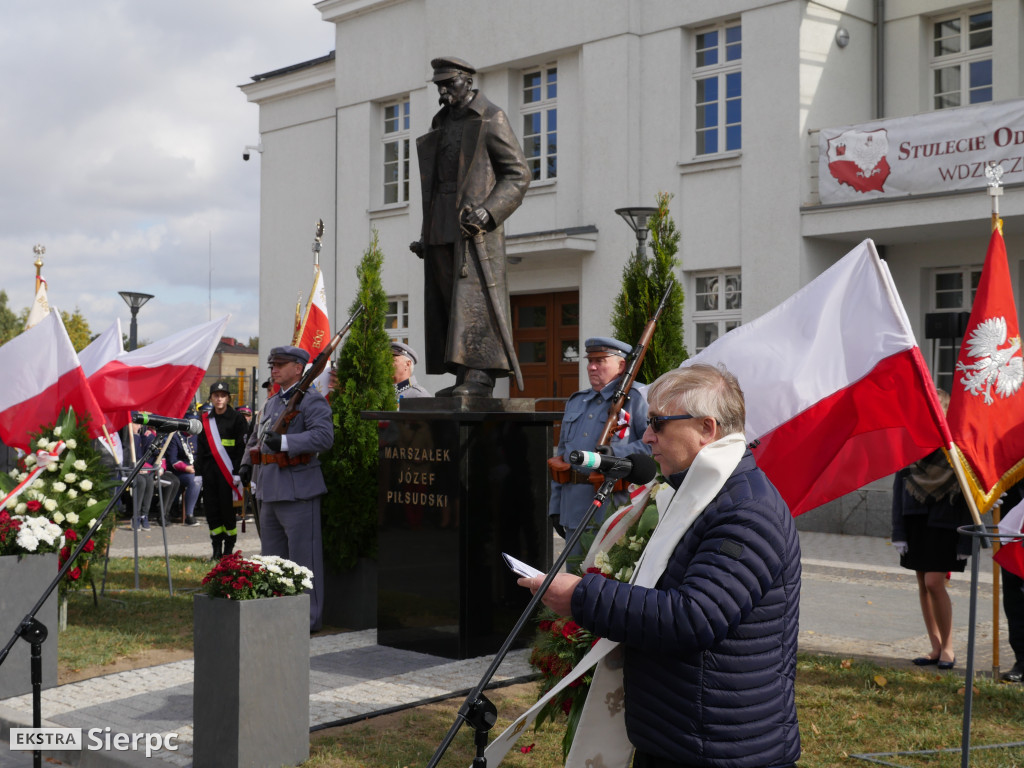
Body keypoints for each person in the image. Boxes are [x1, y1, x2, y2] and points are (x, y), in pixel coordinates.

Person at [520, 364, 801, 768]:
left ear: (707, 428)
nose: (647, 434)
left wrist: (583, 596)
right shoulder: (699, 493)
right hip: (684, 731)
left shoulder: (745, 511)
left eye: (658, 423)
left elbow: (693, 617)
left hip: (721, 747)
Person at [409, 56, 531, 397]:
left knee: (475, 301)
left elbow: (518, 174)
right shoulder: (441, 123)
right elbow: (435, 183)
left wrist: (489, 211)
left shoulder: (491, 117)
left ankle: (481, 375)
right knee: (449, 302)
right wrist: (425, 234)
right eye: (439, 85)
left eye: (449, 83)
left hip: (475, 229)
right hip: (440, 224)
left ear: (467, 80)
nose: (443, 91)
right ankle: (463, 373)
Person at [239, 345, 335, 633]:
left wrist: (283, 444)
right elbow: (257, 436)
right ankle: (275, 613)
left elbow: (323, 437)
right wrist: (246, 464)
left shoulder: (312, 401)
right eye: (272, 364)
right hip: (269, 490)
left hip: (298, 491)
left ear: (298, 368)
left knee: (304, 560)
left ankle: (308, 619)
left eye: (280, 364)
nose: (274, 368)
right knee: (272, 559)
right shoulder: (271, 403)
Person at [548, 337, 650, 566]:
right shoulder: (577, 402)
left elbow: (654, 446)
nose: (592, 367)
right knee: (573, 583)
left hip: (616, 509)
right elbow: (562, 458)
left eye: (600, 361)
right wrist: (555, 506)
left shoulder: (639, 398)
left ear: (621, 365)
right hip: (575, 510)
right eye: (590, 361)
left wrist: (615, 452)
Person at [891, 388, 970, 670]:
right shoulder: (911, 443)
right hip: (915, 520)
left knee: (934, 583)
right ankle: (935, 647)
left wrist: (965, 543)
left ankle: (948, 647)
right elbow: (899, 488)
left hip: (946, 523)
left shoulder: (955, 450)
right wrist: (897, 533)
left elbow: (966, 496)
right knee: (922, 585)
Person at [196, 381, 248, 559]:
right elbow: (201, 448)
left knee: (227, 512)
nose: (219, 399)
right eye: (216, 395)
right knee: (211, 511)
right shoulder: (205, 419)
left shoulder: (237, 419)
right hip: (210, 471)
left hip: (228, 473)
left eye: (223, 395)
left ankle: (228, 550)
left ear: (228, 398)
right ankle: (216, 549)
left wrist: (237, 472)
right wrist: (198, 472)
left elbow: (242, 447)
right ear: (211, 397)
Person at [166, 421, 202, 527]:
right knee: (194, 481)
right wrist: (186, 468)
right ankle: (189, 515)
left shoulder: (197, 436)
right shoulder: (175, 436)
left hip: (195, 468)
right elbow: (173, 460)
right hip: (180, 471)